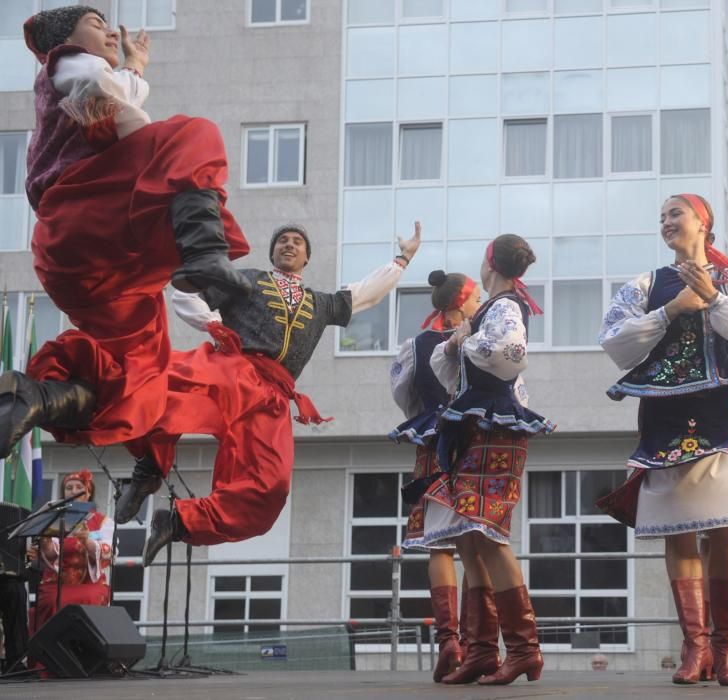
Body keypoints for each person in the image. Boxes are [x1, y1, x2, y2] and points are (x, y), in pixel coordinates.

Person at [0, 7, 250, 463]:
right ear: (66, 39)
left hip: (89, 267)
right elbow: (105, 91)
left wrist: (131, 72)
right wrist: (133, 71)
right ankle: (205, 254)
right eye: (97, 26)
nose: (110, 34)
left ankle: (36, 398)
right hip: (86, 214)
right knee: (194, 135)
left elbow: (115, 110)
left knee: (141, 371)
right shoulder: (67, 61)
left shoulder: (80, 80)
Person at [115, 223, 420, 565]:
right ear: (273, 251)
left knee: (270, 488)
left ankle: (178, 522)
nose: (289, 245)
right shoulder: (247, 280)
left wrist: (403, 258)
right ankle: (148, 471)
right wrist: (213, 324)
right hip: (233, 370)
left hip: (272, 398)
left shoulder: (322, 304)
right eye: (282, 241)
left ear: (308, 257)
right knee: (167, 390)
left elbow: (368, 293)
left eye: (298, 242)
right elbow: (186, 293)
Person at [597, 194, 728, 687]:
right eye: (662, 214)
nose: (667, 220)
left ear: (703, 222)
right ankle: (695, 649)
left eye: (676, 213)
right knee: (679, 529)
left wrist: (712, 298)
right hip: (667, 415)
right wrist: (673, 308)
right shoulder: (647, 285)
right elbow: (615, 342)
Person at [416, 234, 553, 685]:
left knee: (487, 533)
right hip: (477, 428)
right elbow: (451, 364)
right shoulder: (492, 308)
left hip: (498, 428)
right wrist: (463, 337)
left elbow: (510, 355)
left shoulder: (506, 306)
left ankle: (522, 648)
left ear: (489, 263)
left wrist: (464, 340)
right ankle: (480, 650)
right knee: (470, 538)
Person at [390, 269, 482, 682]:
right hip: (478, 441)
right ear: (461, 306)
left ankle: (450, 641)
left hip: (432, 440)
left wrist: (426, 415)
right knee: (478, 543)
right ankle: (478, 641)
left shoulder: (416, 344)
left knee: (439, 545)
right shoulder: (484, 339)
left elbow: (402, 394)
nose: (481, 305)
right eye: (476, 299)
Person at [33, 470, 114, 631]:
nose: (73, 491)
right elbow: (50, 554)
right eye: (69, 488)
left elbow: (107, 551)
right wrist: (45, 541)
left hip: (90, 583)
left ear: (88, 493)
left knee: (92, 597)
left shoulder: (103, 521)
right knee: (51, 600)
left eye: (79, 487)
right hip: (58, 583)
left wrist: (86, 541)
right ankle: (49, 652)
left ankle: (89, 652)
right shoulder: (55, 518)